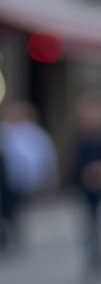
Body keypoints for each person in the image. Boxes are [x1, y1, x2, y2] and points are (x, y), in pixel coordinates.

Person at [69, 88, 101, 281]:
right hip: (84, 186)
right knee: (89, 222)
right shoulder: (80, 132)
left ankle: (99, 256)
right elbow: (75, 160)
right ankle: (92, 256)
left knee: (99, 221)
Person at [0, 101, 59, 249]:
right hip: (6, 178)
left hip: (22, 180)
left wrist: (48, 179)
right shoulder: (5, 131)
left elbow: (45, 157)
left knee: (14, 210)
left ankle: (12, 235)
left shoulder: (35, 134)